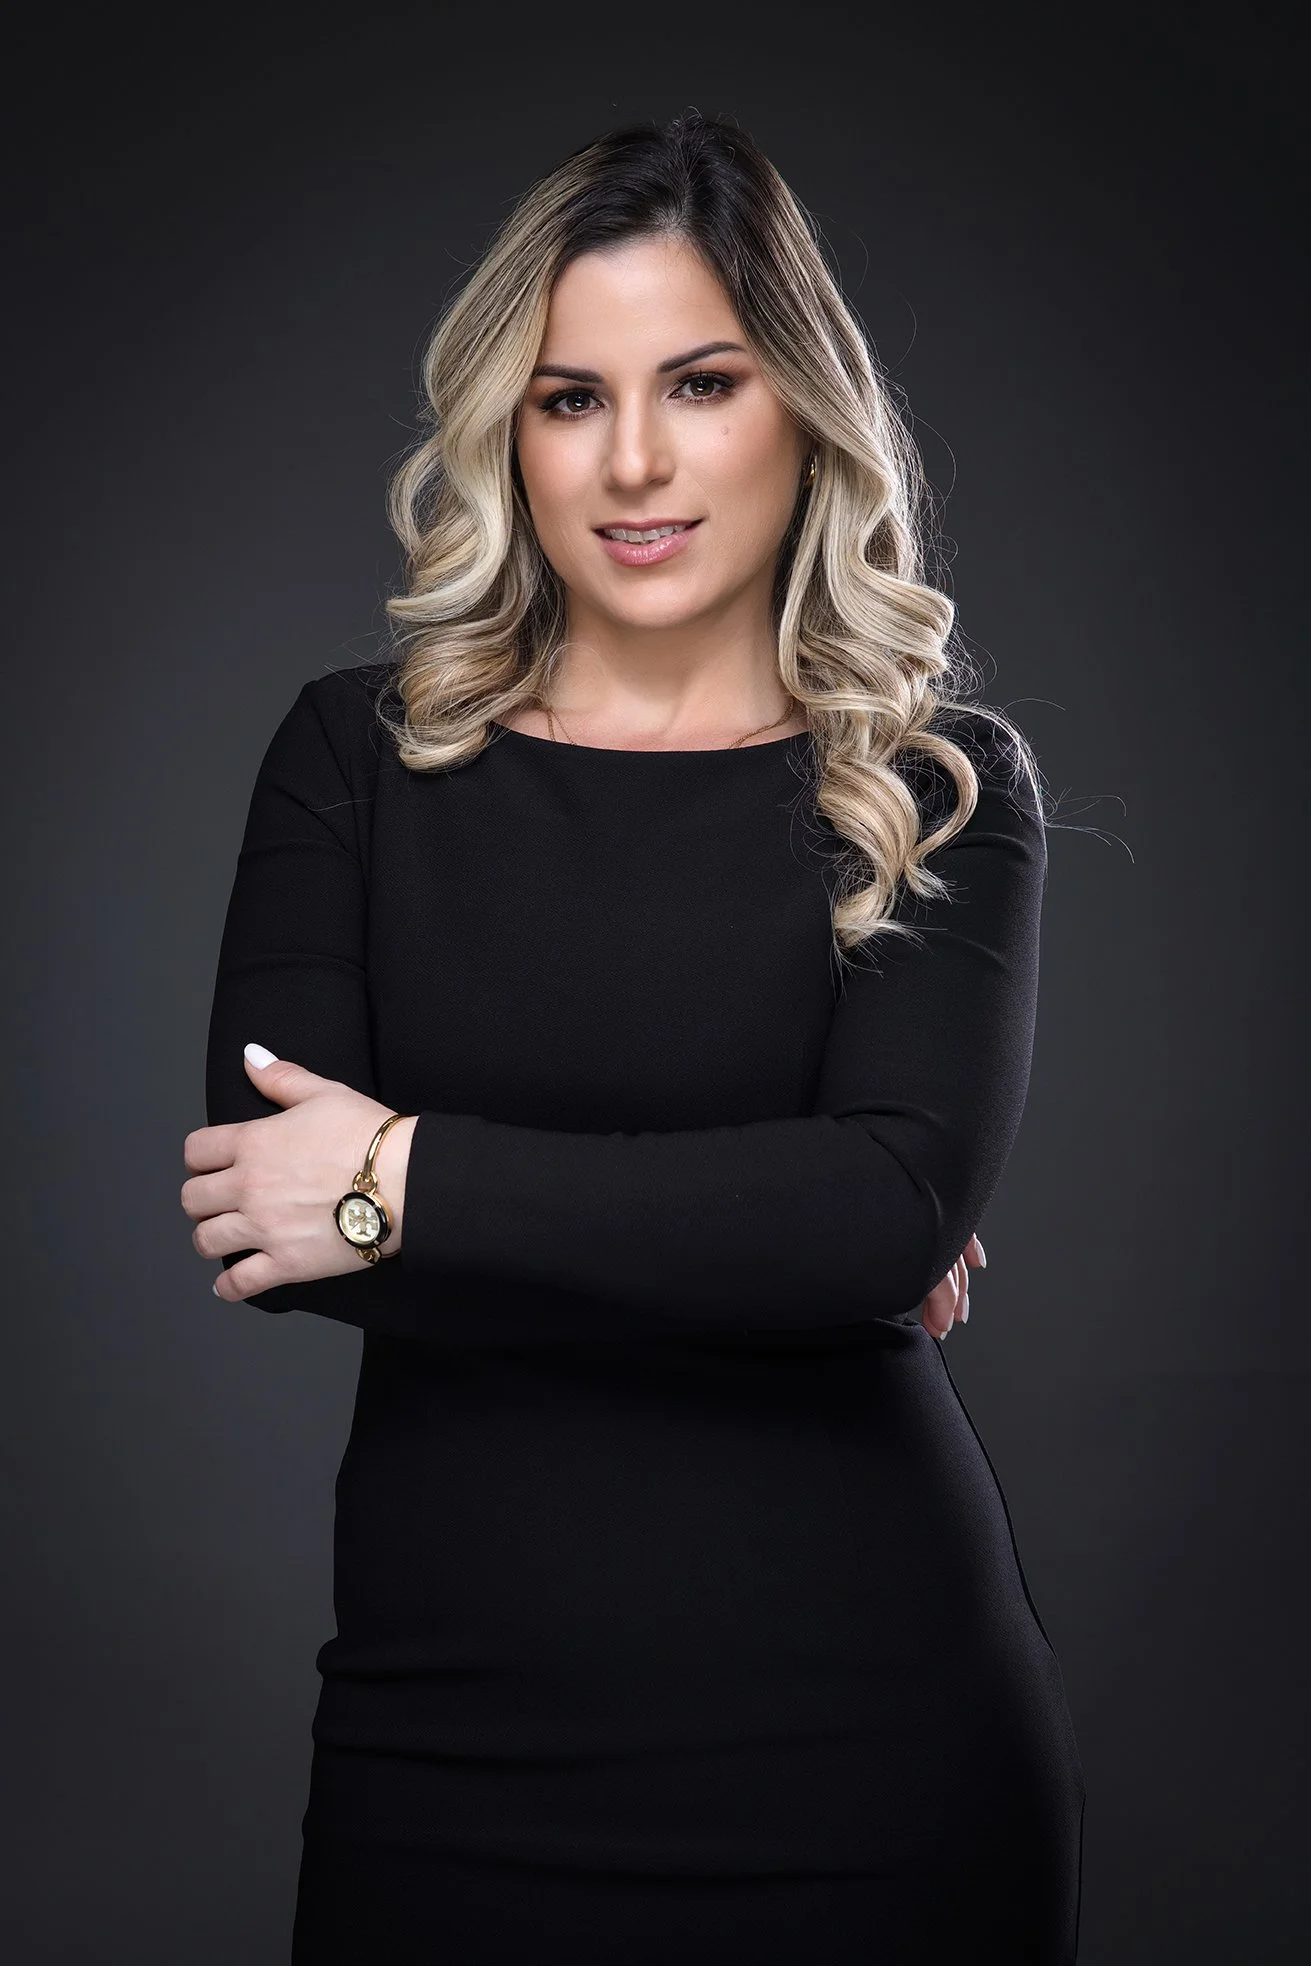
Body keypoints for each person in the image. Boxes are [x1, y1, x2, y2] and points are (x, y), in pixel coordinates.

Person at [182, 112, 1085, 1963]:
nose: (638, 460)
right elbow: (265, 1222)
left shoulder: (932, 785)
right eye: (570, 398)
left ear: (803, 410)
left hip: (872, 1743)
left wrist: (410, 1175)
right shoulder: (357, 754)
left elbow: (879, 1216)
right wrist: (777, 1225)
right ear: (506, 429)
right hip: (445, 1744)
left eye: (700, 381)